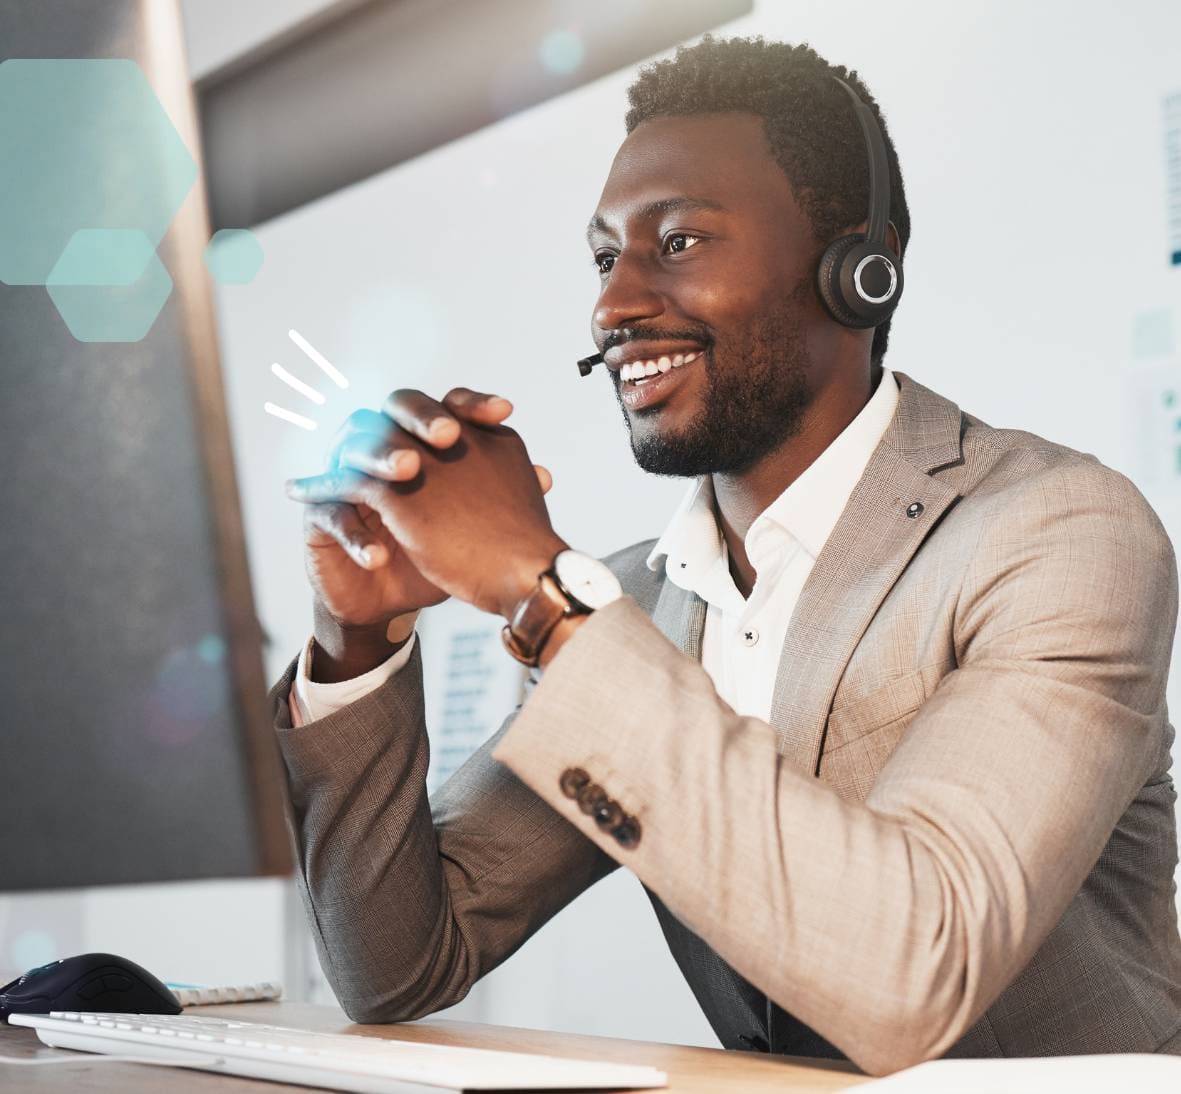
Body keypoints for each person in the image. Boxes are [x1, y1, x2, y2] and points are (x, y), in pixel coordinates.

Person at [271, 35, 1181, 1074]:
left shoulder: (1058, 531)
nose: (612, 307)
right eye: (606, 256)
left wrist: (535, 584)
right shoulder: (638, 606)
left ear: (856, 268)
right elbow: (395, 964)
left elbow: (910, 972)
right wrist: (356, 637)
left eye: (680, 241)